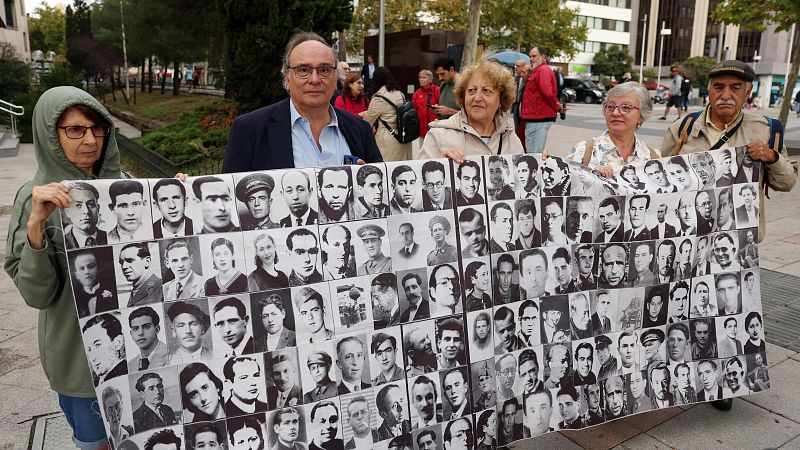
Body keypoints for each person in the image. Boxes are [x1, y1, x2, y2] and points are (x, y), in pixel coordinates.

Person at [661, 60, 796, 242]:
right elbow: (662, 183)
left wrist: (771, 157)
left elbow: (786, 183)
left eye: (735, 88)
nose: (726, 95)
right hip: (690, 237)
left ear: (747, 92)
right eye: (719, 87)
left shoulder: (767, 130)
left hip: (740, 239)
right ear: (709, 91)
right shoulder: (682, 128)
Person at [223, 32, 381, 171]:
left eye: (324, 70)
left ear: (335, 79)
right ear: (287, 78)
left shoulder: (360, 130)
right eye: (303, 70)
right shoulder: (250, 131)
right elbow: (231, 201)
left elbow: (382, 197)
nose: (314, 79)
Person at [420, 60, 524, 160]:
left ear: (501, 100)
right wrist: (440, 165)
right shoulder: (438, 136)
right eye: (471, 90)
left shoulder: (510, 139)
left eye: (486, 91)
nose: (477, 98)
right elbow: (421, 175)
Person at [565, 82, 658, 176]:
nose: (615, 113)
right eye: (610, 106)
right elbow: (562, 187)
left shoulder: (653, 158)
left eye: (626, 107)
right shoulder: (583, 151)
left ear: (641, 116)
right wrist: (589, 176)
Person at [361, 67, 412, 161]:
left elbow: (367, 123)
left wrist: (364, 115)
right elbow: (391, 112)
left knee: (388, 172)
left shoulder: (379, 98)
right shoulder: (400, 93)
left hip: (388, 141)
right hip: (404, 138)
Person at [519, 47, 561, 153]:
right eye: (530, 56)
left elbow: (547, 92)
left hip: (538, 119)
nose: (531, 59)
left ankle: (535, 170)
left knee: (534, 155)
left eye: (534, 56)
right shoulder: (538, 70)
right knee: (532, 153)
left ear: (542, 57)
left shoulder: (543, 70)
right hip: (535, 118)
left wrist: (556, 106)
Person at [70, 249, 119, 317]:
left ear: (99, 268)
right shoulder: (75, 298)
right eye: (81, 269)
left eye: (91, 266)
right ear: (77, 275)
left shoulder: (114, 291)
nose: (86, 272)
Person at [82, 313, 128, 386]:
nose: (93, 357)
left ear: (118, 342)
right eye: (89, 349)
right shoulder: (98, 381)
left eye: (97, 345)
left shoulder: (124, 374)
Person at [62, 182, 107, 249]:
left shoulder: (109, 237)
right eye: (78, 205)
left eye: (91, 204)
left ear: (98, 208)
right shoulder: (62, 242)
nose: (86, 211)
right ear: (67, 212)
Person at [118, 242, 163, 306]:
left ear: (147, 262)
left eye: (130, 260)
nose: (124, 266)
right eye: (121, 262)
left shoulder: (161, 288)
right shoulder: (136, 289)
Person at [128, 306, 169, 372]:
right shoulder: (130, 364)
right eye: (135, 329)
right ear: (131, 334)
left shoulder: (171, 355)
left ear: (157, 329)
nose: (140, 333)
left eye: (146, 327)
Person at [412, 69, 441, 143]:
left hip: (435, 130)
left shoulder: (437, 90)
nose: (421, 79)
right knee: (423, 152)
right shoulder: (416, 94)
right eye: (420, 77)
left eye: (424, 77)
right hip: (422, 131)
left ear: (430, 80)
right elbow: (414, 111)